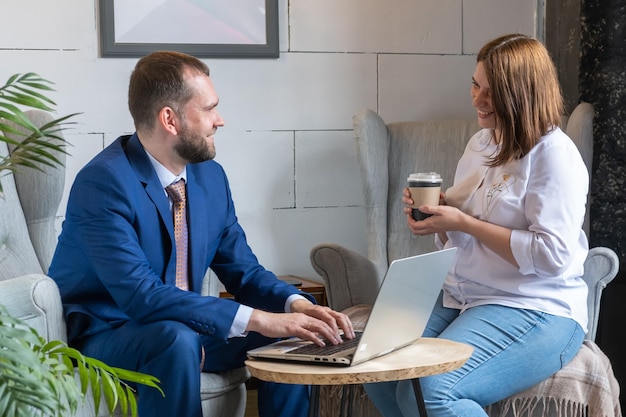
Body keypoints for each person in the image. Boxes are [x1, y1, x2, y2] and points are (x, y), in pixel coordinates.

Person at [48, 50, 354, 417]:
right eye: (209, 109)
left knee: (294, 334)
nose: (219, 120)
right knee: (177, 340)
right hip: (110, 335)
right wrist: (259, 319)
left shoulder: (210, 178)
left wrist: (296, 307)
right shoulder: (104, 183)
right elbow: (141, 297)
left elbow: (244, 271)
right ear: (170, 120)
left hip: (184, 330)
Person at [363, 33, 589, 416]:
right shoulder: (481, 145)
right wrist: (441, 219)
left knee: (434, 390)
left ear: (522, 94)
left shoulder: (554, 156)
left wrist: (464, 223)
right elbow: (464, 225)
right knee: (378, 369)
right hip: (466, 295)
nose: (477, 100)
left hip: (536, 307)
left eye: (492, 92)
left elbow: (553, 256)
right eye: (475, 85)